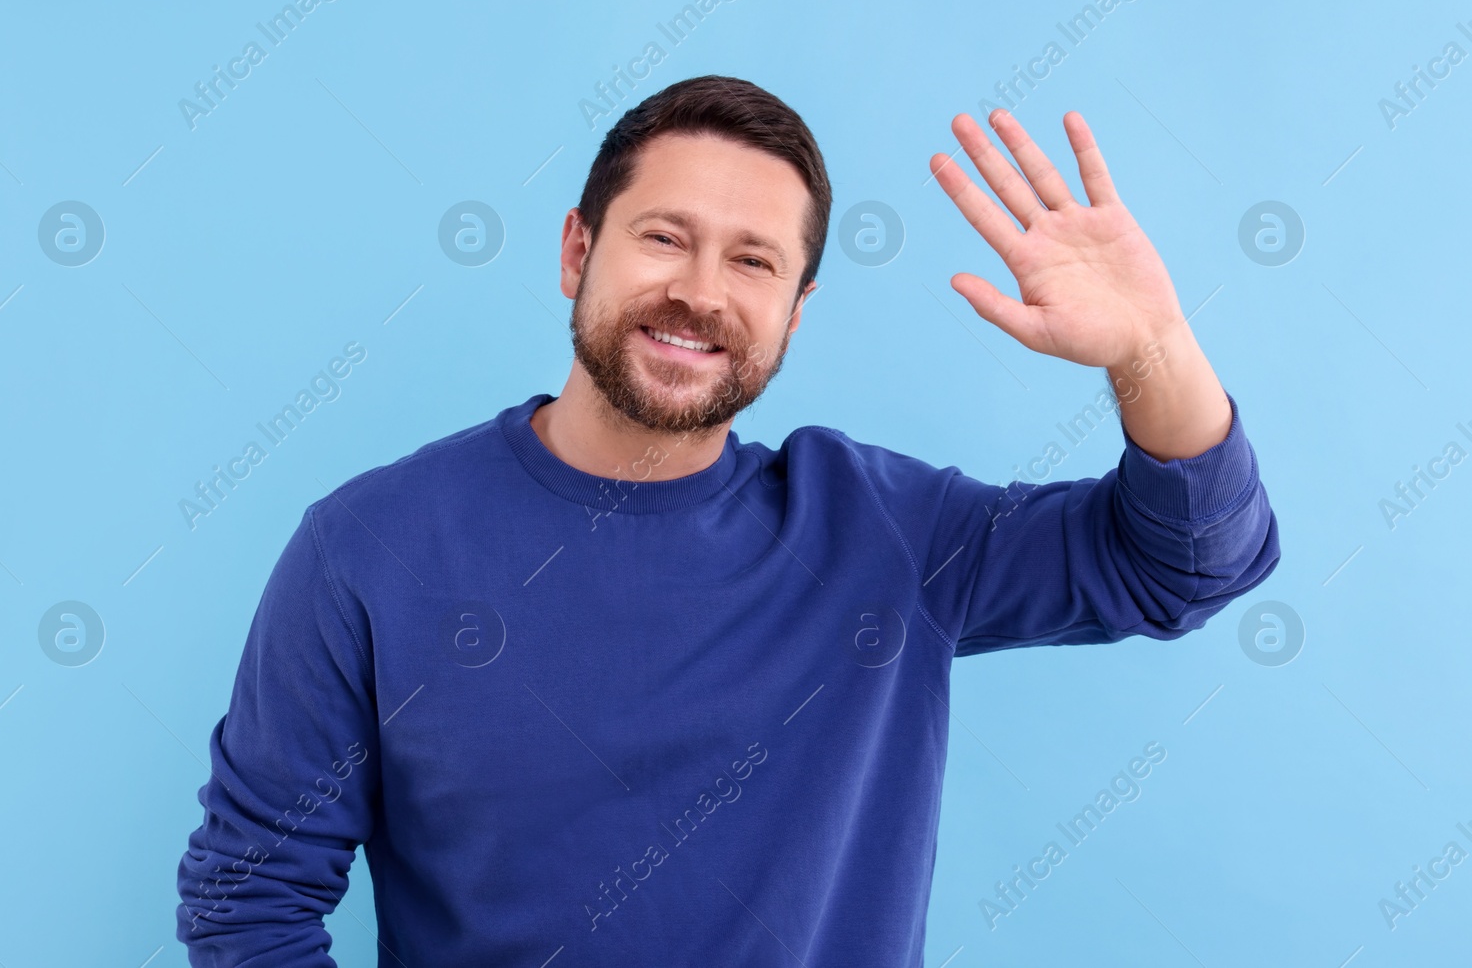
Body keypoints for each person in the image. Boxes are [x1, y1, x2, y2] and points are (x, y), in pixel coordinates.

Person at [175, 75, 1279, 965]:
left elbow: (1183, 564)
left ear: (793, 313)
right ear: (577, 251)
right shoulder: (370, 547)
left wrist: (1151, 349)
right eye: (664, 237)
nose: (700, 291)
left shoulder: (885, 533)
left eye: (752, 260)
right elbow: (247, 899)